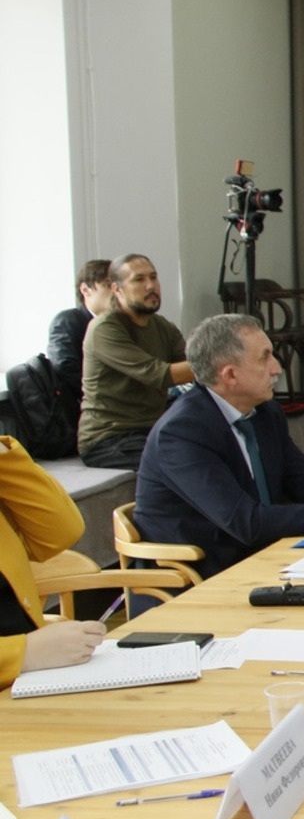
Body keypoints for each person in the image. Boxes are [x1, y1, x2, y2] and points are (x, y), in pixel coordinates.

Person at [135, 315, 304, 579]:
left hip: (265, 558)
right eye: (265, 357)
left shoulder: (266, 412)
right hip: (201, 578)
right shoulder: (182, 432)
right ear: (230, 375)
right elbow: (246, 523)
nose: (277, 368)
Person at [1, 436, 106, 688]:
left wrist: (4, 456)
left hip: (32, 682)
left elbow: (59, 533)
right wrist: (24, 652)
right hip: (25, 672)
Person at [78, 254, 194, 469]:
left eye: (153, 277)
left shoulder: (162, 326)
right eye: (139, 280)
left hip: (152, 429)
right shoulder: (104, 328)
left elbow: (191, 365)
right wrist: (220, 363)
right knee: (186, 460)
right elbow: (159, 375)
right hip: (109, 438)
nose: (151, 286)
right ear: (117, 289)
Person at [47, 258, 114, 409]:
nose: (115, 292)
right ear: (85, 290)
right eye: (107, 285)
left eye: (117, 286)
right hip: (91, 407)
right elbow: (65, 368)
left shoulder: (118, 323)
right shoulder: (67, 320)